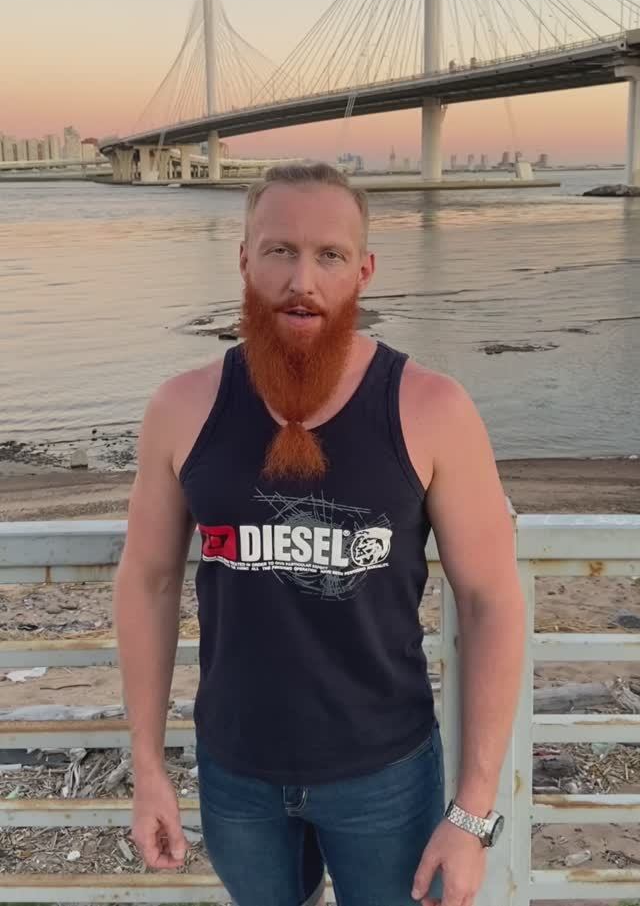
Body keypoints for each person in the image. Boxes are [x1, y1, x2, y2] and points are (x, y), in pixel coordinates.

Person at [114, 161, 526, 906]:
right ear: (245, 259)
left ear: (363, 270)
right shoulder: (182, 407)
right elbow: (147, 581)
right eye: (280, 250)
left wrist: (471, 812)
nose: (302, 280)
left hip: (386, 770)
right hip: (235, 769)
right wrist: (148, 764)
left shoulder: (431, 408)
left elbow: (491, 600)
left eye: (329, 255)